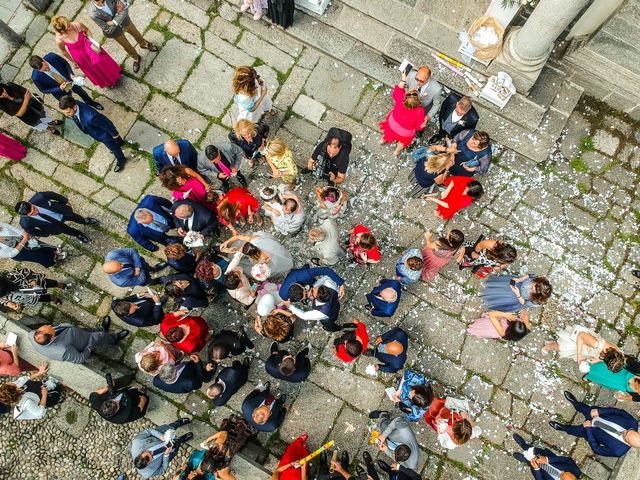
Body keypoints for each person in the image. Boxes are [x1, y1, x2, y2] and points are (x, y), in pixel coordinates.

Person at [549, 391, 640, 457]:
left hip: (591, 431)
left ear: (629, 444)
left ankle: (563, 428)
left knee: (575, 430)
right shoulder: (633, 422)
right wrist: (599, 411)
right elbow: (619, 412)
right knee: (584, 408)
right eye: (628, 430)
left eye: (625, 436)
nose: (624, 431)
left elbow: (597, 449)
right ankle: (576, 403)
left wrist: (588, 429)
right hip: (599, 415)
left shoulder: (618, 451)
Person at [59, 96, 127, 172]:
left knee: (114, 148)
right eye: (64, 113)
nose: (66, 115)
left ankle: (121, 160)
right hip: (93, 131)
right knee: (113, 146)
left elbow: (107, 124)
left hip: (104, 135)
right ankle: (116, 146)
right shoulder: (73, 104)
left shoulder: (91, 117)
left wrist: (116, 136)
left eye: (68, 112)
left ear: (75, 107)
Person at [88, 0, 158, 73]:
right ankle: (136, 57)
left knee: (136, 34)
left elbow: (125, 8)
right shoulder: (93, 13)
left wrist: (112, 22)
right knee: (126, 46)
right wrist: (118, 14)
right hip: (115, 32)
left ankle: (144, 44)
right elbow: (108, 30)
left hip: (125, 22)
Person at [51, 16, 120, 88]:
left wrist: (91, 41)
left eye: (69, 25)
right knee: (94, 70)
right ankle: (107, 82)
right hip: (81, 58)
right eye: (67, 28)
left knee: (103, 62)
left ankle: (114, 74)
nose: (70, 27)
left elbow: (87, 30)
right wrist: (73, 62)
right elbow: (64, 51)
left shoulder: (77, 25)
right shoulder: (59, 40)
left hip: (90, 47)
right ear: (61, 31)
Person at [16, 191, 98, 244]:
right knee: (67, 230)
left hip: (61, 212)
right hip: (54, 226)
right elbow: (35, 232)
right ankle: (78, 234)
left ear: (30, 203)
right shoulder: (25, 223)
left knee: (75, 217)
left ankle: (84, 221)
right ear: (25, 215)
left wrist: (65, 201)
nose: (35, 212)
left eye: (34, 208)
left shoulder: (40, 197)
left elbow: (53, 195)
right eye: (32, 214)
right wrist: (47, 234)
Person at [29, 53, 103, 110]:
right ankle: (80, 110)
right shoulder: (36, 77)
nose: (47, 69)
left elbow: (65, 63)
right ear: (37, 70)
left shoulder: (52, 57)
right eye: (44, 70)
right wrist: (59, 88)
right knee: (69, 104)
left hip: (70, 80)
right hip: (60, 92)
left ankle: (90, 102)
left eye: (47, 67)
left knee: (81, 92)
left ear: (43, 60)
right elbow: (43, 90)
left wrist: (71, 74)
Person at [30, 322, 128, 364]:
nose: (50, 325)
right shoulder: (62, 351)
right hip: (85, 341)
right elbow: (79, 359)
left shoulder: (32, 335)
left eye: (47, 326)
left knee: (89, 330)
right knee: (101, 336)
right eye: (50, 328)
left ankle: (101, 329)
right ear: (52, 338)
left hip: (75, 332)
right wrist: (89, 348)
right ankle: (114, 338)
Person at [379, 73, 425, 156]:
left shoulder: (400, 99)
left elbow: (397, 90)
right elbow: (419, 127)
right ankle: (396, 152)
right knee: (402, 142)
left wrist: (403, 79)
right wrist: (424, 122)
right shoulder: (420, 111)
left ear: (406, 96)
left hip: (393, 123)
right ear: (418, 101)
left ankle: (383, 140)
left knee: (388, 132)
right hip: (405, 132)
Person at [541, 324, 623, 371]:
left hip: (589, 349)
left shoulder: (618, 352)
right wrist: (579, 354)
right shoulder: (596, 345)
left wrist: (597, 359)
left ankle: (551, 345)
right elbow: (581, 335)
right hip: (581, 344)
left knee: (563, 348)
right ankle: (548, 346)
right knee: (562, 347)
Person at [220, 231, 294, 278]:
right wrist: (226, 242)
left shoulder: (263, 257)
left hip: (271, 258)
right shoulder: (254, 239)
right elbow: (238, 237)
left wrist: (263, 264)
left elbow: (268, 259)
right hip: (269, 247)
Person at [512, 433, 580, 480]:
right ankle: (524, 446)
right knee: (533, 450)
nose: (562, 472)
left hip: (540, 470)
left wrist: (536, 469)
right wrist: (548, 459)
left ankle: (526, 460)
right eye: (566, 471)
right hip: (545, 456)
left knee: (531, 462)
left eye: (562, 475)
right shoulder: (576, 471)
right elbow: (567, 460)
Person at [0, 267, 67, 312]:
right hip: (29, 297)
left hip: (34, 285)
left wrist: (31, 280)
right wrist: (9, 303)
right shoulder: (3, 295)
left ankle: (59, 285)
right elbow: (3, 300)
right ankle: (53, 299)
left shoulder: (11, 276)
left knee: (48, 283)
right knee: (42, 298)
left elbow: (25, 271)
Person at [482, 274, 552, 312]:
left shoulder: (535, 302)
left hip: (514, 297)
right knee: (501, 286)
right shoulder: (538, 279)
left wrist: (518, 294)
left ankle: (491, 296)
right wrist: (520, 279)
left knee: (500, 295)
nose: (529, 287)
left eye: (531, 289)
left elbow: (524, 303)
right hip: (518, 284)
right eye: (533, 283)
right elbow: (530, 275)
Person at [102, 248, 167, 288]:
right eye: (120, 268)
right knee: (147, 281)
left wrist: (138, 267)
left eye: (120, 263)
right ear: (114, 272)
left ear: (110, 260)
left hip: (140, 264)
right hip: (142, 277)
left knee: (148, 267)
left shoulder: (112, 254)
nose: (122, 265)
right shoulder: (120, 281)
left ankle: (153, 269)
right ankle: (154, 282)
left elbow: (132, 251)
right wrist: (139, 269)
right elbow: (141, 279)